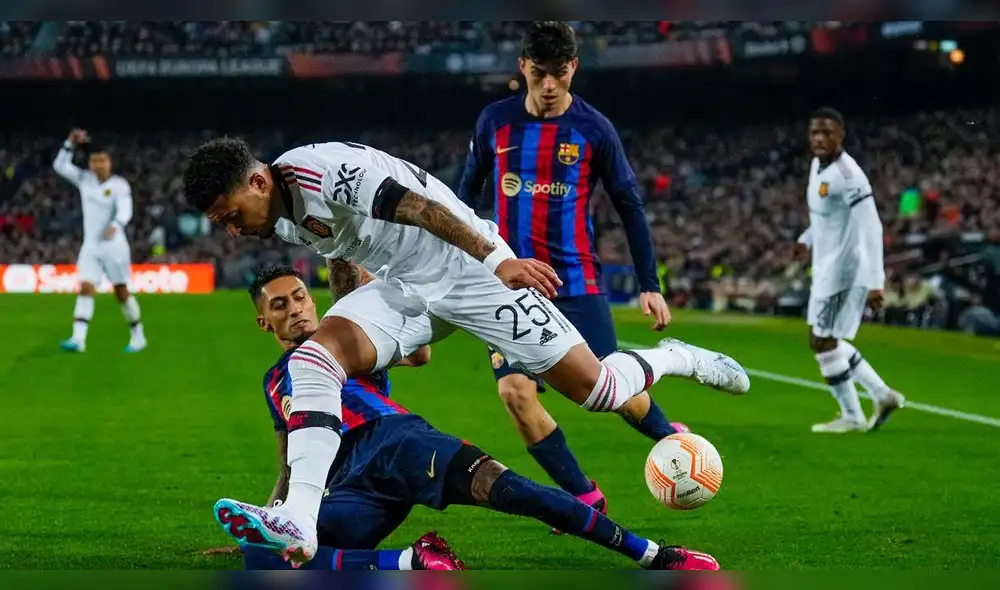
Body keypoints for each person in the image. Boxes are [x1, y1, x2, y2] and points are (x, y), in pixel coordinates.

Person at [182, 135, 749, 566]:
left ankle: (678, 356)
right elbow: (340, 247)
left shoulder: (318, 171)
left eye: (231, 216)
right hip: (403, 287)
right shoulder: (280, 214)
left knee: (598, 389)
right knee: (312, 359)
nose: (232, 231)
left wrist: (497, 260)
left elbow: (422, 209)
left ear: (257, 182)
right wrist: (356, 327)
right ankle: (299, 520)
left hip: (467, 271)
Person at [215, 263, 719, 570]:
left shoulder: (345, 341)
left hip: (396, 443)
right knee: (259, 551)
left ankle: (654, 553)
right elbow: (288, 464)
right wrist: (274, 516)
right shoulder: (273, 381)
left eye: (300, 297)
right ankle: (414, 561)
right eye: (281, 306)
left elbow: (418, 356)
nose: (296, 309)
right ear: (265, 321)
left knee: (520, 494)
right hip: (349, 485)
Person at [457, 22, 688, 525]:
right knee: (514, 392)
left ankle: (673, 439)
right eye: (538, 73)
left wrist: (650, 284)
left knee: (609, 393)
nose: (547, 86)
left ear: (573, 69)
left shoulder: (594, 129)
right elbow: (461, 198)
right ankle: (583, 497)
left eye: (558, 74)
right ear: (522, 67)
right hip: (509, 287)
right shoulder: (494, 122)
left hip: (575, 283)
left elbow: (630, 204)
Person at [794, 108, 905, 433]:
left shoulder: (849, 176)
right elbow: (826, 217)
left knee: (821, 340)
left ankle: (852, 416)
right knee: (827, 338)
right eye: (815, 132)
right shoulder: (818, 165)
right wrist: (807, 238)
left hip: (845, 272)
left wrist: (876, 282)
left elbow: (871, 227)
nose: (819, 138)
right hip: (826, 268)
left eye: (827, 133)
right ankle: (882, 395)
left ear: (841, 135)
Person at [52, 129, 146, 354]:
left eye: (102, 160)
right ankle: (78, 339)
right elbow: (60, 166)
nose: (98, 165)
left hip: (114, 246)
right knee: (85, 288)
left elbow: (126, 209)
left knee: (121, 292)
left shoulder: (119, 185)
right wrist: (69, 144)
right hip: (91, 246)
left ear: (109, 162)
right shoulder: (85, 179)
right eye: (94, 161)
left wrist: (116, 224)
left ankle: (138, 335)